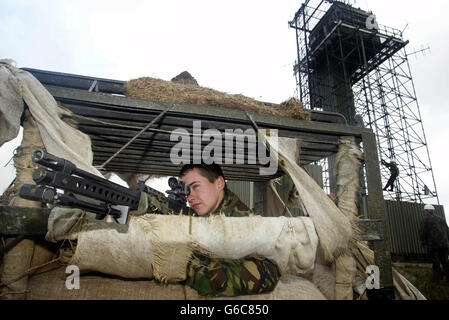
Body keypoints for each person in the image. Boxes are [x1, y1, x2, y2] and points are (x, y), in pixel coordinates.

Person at [178, 163, 281, 296]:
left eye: (196, 186)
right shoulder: (209, 213)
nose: (190, 197)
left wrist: (185, 268)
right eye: (186, 190)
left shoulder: (241, 222)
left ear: (219, 183)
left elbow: (268, 273)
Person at [419, 204, 449, 282]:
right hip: (444, 245)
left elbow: (422, 232)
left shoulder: (426, 220)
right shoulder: (441, 219)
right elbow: (447, 231)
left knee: (435, 262)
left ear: (427, 211)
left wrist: (423, 242)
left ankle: (437, 279)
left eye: (425, 211)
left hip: (433, 245)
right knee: (445, 262)